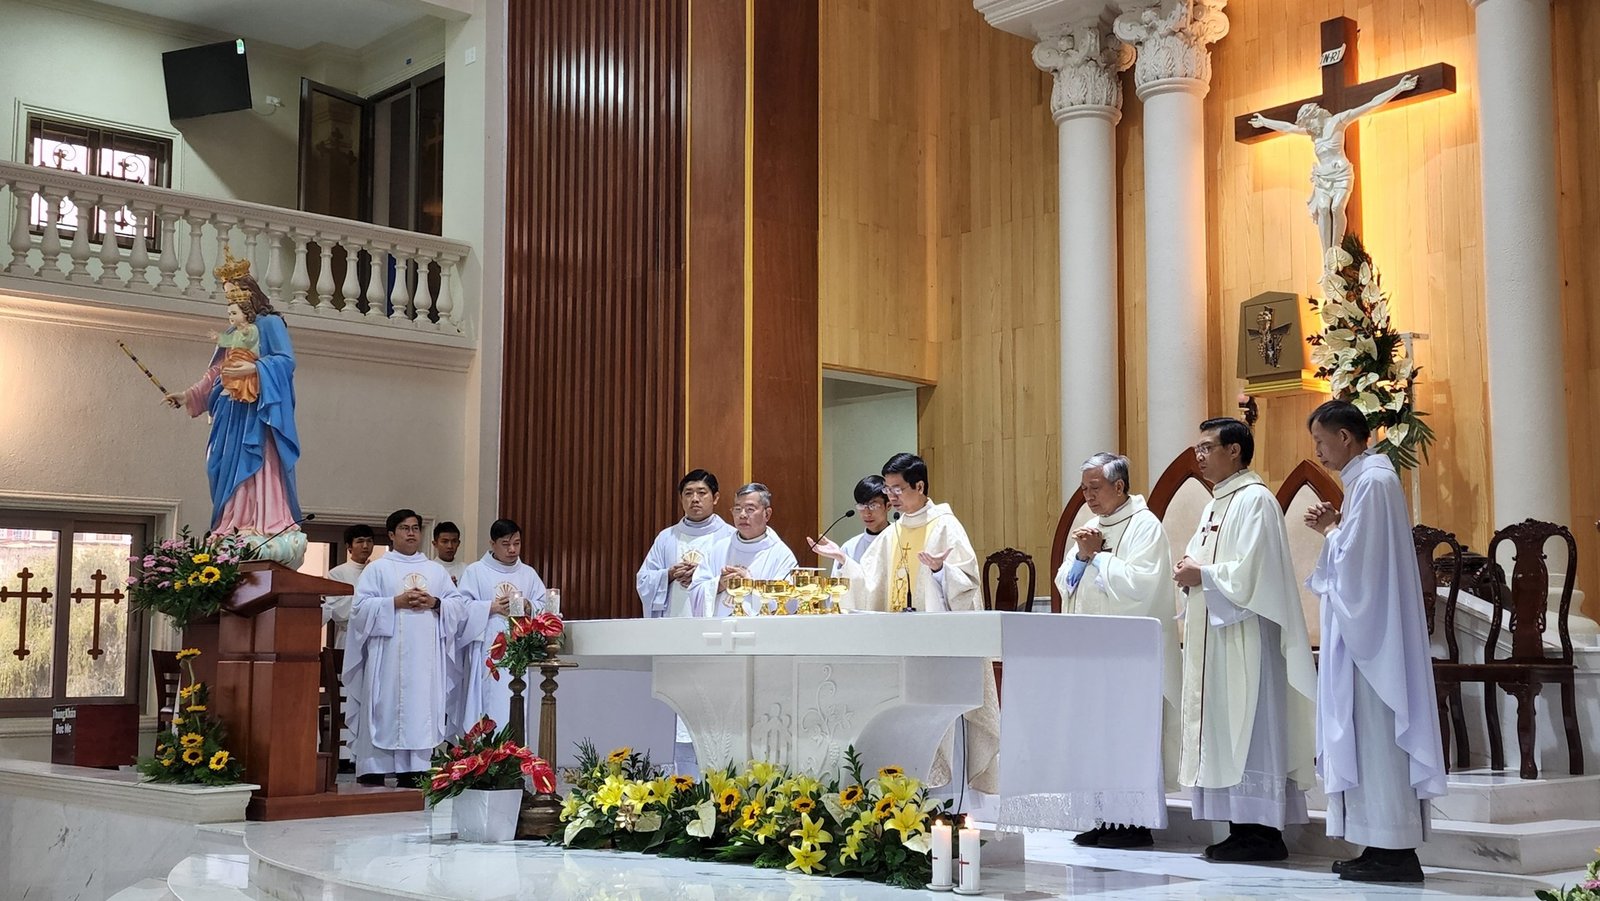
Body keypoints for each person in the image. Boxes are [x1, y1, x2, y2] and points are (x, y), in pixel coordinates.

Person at [1305, 400, 1445, 883]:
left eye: (1321, 442)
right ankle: (1378, 844)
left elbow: (1357, 566)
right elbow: (1359, 552)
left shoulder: (1374, 482)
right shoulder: (1366, 482)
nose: (1318, 452)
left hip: (1374, 642)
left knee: (1379, 739)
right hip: (1366, 635)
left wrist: (1330, 531)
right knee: (1366, 740)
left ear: (1345, 437)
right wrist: (1337, 529)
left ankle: (1395, 850)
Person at [810, 453, 999, 794]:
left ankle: (946, 801)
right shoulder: (894, 532)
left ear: (920, 486)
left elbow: (967, 584)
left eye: (897, 488)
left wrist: (941, 571)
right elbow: (869, 583)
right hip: (901, 649)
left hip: (939, 652)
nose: (891, 496)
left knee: (942, 720)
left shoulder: (945, 525)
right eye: (888, 488)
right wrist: (843, 561)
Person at [1173, 418, 1317, 862]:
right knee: (1225, 728)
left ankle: (1263, 834)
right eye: (1198, 448)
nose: (1199, 456)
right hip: (1216, 639)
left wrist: (1202, 575)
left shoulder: (1256, 500)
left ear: (1234, 450)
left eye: (1207, 448)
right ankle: (1240, 827)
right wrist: (1189, 571)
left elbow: (1256, 573)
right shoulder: (1216, 503)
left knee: (1250, 727)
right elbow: (1204, 559)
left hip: (1247, 640)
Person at [1055, 453, 1182, 849]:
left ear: (1119, 486)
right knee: (1095, 734)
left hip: (1130, 657)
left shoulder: (1145, 526)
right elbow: (1065, 583)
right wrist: (1082, 557)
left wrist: (1098, 556)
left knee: (1127, 734)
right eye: (1084, 489)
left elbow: (1142, 587)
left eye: (1095, 488)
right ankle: (1103, 817)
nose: (1088, 496)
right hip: (1093, 654)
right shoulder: (1091, 528)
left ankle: (1133, 823)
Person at [163, 249, 304, 566]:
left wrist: (255, 369)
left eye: (234, 294)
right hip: (230, 411)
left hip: (256, 409)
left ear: (250, 293)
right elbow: (215, 372)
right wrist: (189, 395)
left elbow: (285, 361)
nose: (230, 302)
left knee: (259, 462)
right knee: (223, 464)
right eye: (227, 296)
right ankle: (233, 522)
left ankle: (264, 521)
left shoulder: (270, 324)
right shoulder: (230, 333)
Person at [343, 509, 468, 788]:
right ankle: (376, 766)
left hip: (425, 658)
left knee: (420, 708)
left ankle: (415, 768)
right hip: (387, 655)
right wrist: (394, 603)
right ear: (391, 534)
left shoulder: (435, 571)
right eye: (404, 528)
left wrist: (435, 603)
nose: (411, 533)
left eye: (415, 528)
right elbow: (359, 610)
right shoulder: (377, 569)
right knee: (383, 705)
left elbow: (458, 607)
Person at [1247, 74, 1419, 251]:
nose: (1308, 128)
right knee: (1323, 208)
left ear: (1315, 116)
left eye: (1308, 123)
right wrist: (1264, 122)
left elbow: (1370, 104)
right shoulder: (1314, 132)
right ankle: (1327, 257)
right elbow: (1288, 128)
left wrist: (1398, 88)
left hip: (1341, 174)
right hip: (1322, 177)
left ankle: (1336, 250)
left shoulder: (1338, 121)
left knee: (1336, 207)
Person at [453, 519, 548, 736]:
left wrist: (528, 605)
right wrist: (491, 607)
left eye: (517, 543)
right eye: (506, 544)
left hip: (519, 652)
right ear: (492, 544)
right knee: (488, 701)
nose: (512, 549)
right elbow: (460, 609)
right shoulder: (476, 572)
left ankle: (515, 749)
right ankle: (487, 750)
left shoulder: (528, 573)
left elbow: (545, 606)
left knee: (516, 701)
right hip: (486, 652)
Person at [636, 469, 735, 618]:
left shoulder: (731, 536)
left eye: (701, 493)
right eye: (688, 493)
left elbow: (738, 580)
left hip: (714, 621)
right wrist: (669, 574)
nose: (694, 499)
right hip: (674, 620)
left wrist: (701, 576)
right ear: (681, 498)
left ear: (715, 498)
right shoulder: (667, 537)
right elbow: (644, 581)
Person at [692, 483, 798, 616]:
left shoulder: (781, 554)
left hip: (760, 627)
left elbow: (789, 603)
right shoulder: (719, 548)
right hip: (720, 626)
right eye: (737, 509)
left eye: (750, 509)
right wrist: (719, 584)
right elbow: (695, 589)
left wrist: (750, 584)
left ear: (767, 514)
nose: (742, 515)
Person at [322, 524, 376, 649]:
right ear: (349, 546)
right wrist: (365, 577)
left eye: (369, 541)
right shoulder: (337, 573)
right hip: (349, 635)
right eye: (360, 541)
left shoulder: (378, 570)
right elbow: (337, 611)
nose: (365, 546)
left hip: (375, 635)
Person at [831, 476, 891, 576]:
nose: (867, 513)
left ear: (888, 506)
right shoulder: (849, 548)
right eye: (862, 506)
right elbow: (837, 582)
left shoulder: (899, 541)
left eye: (873, 506)